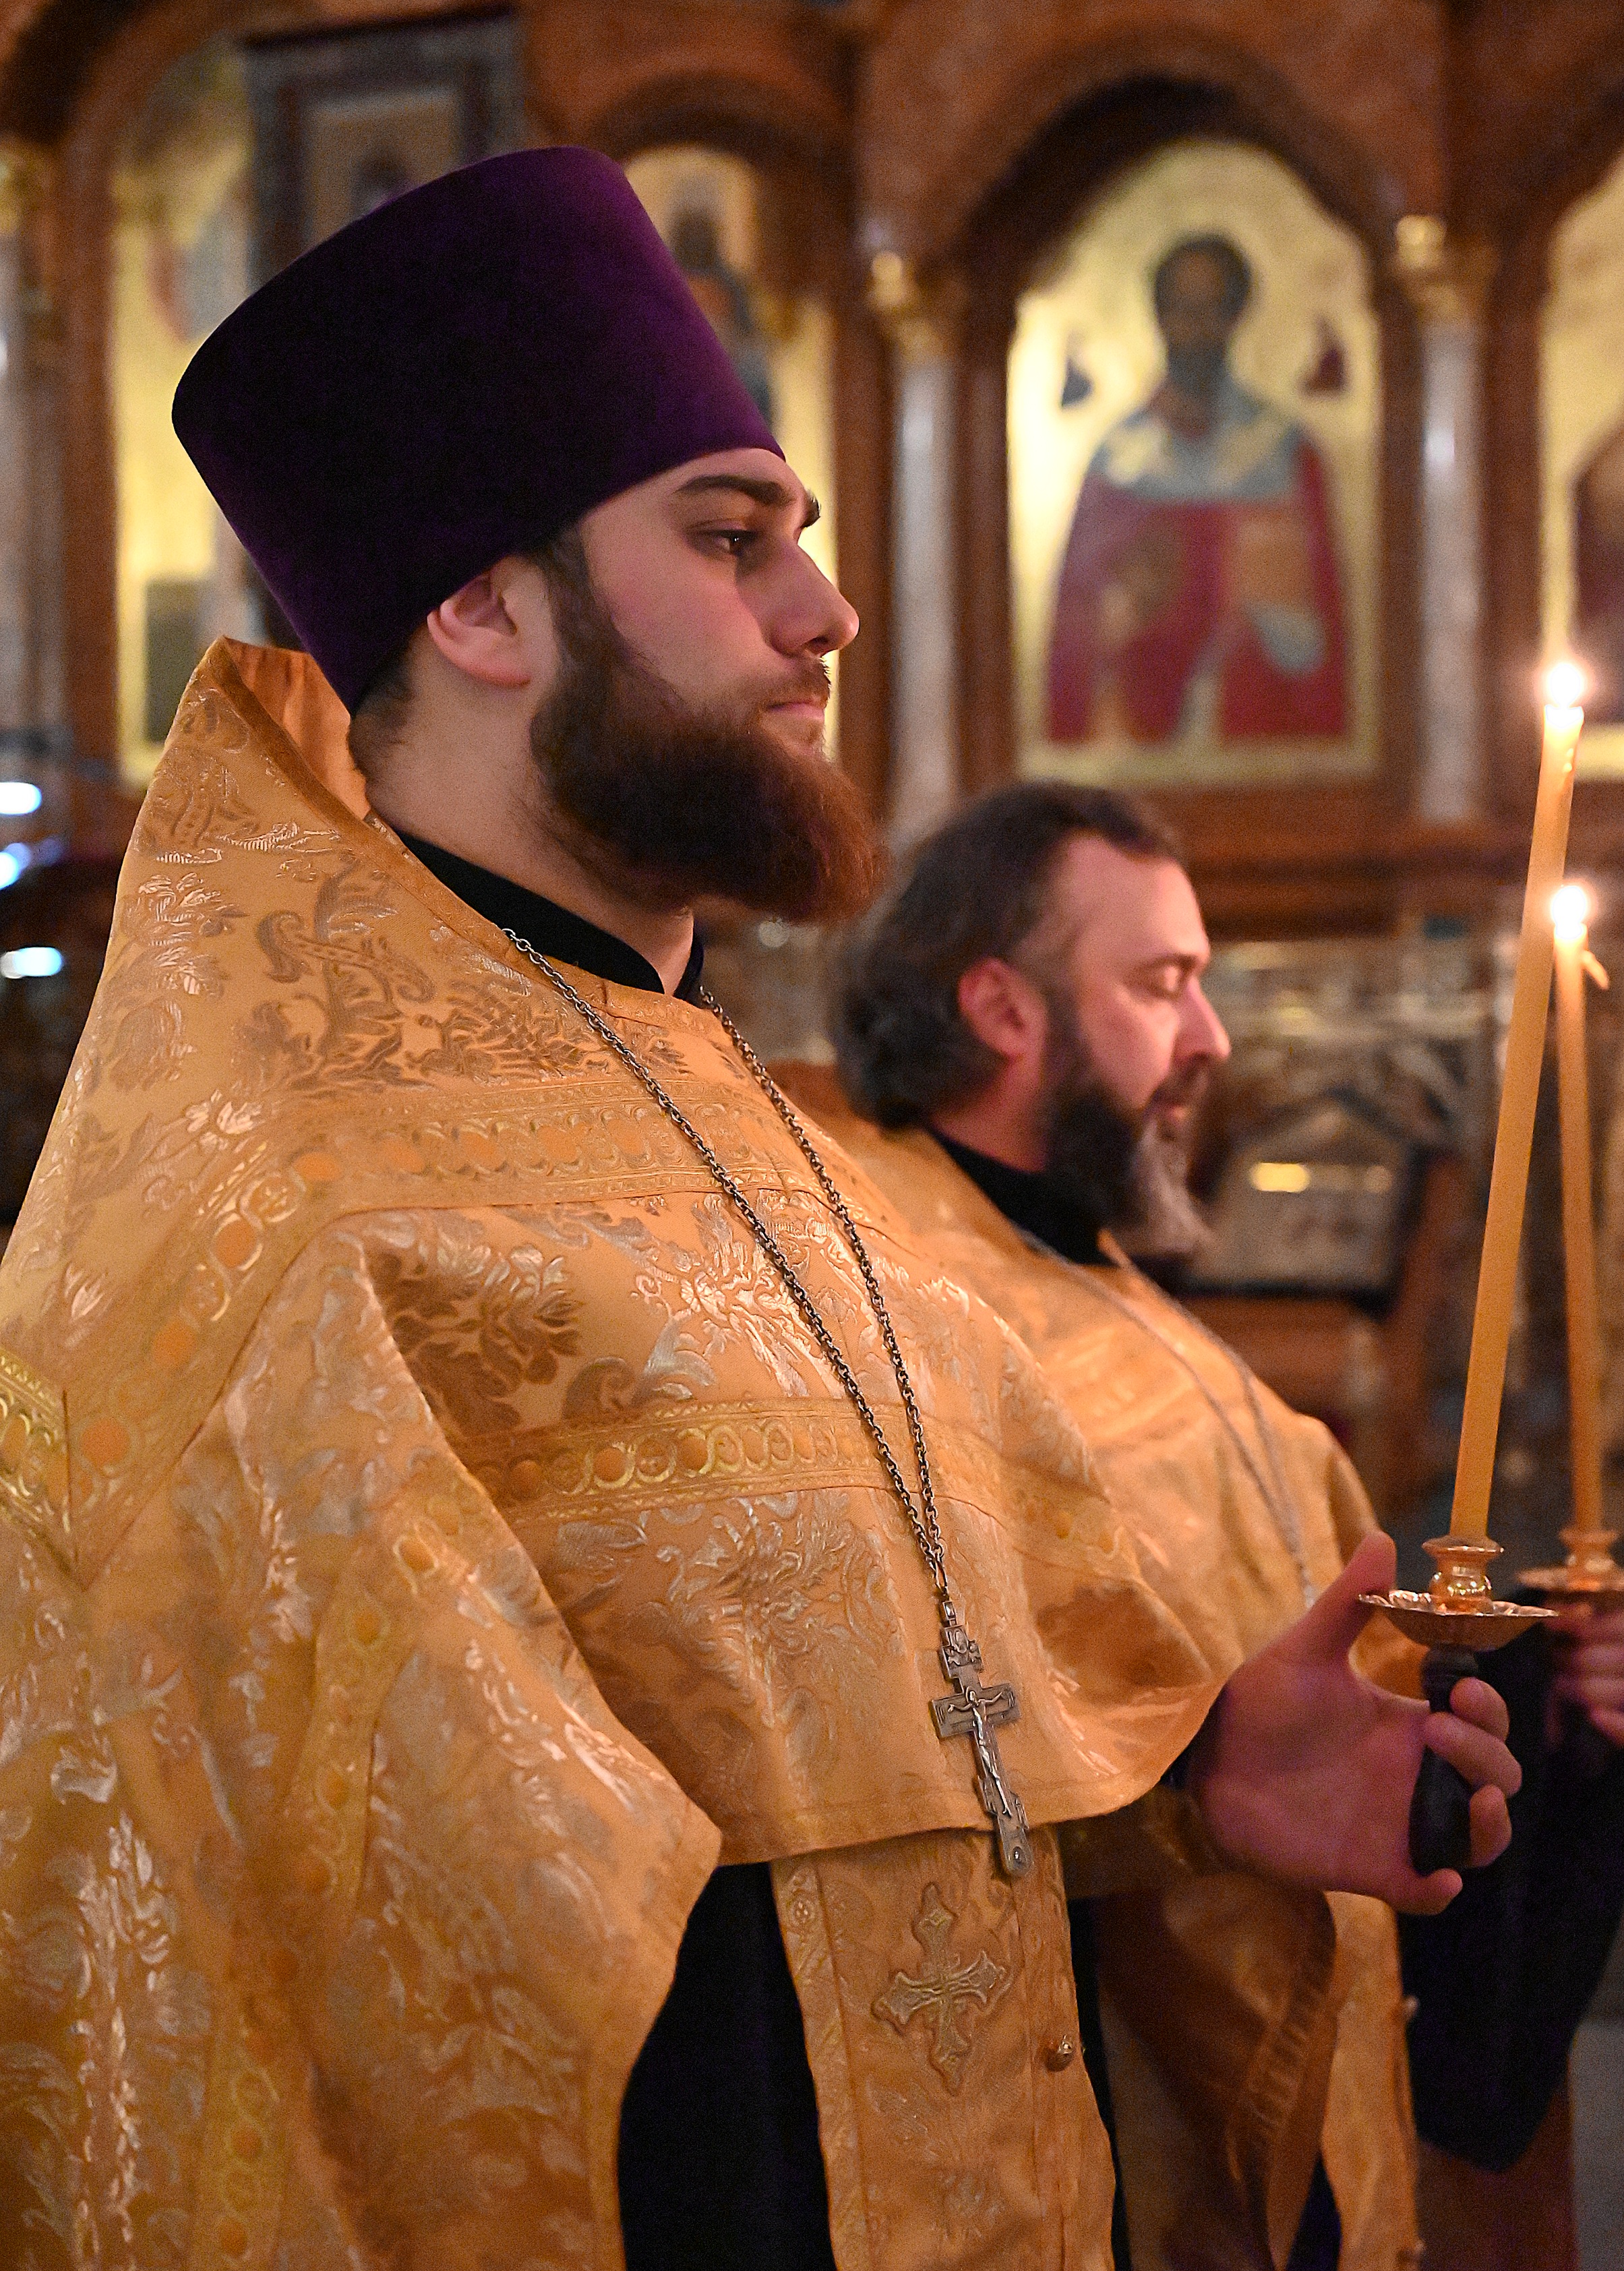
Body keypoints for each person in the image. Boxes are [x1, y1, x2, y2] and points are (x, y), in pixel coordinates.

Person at [0, 154, 1516, 2268]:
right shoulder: (289, 1218)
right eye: (729, 540)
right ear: (482, 608)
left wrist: (1189, 1785)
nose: (825, 610)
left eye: (795, 536)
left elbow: (889, 1746)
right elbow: (344, 1991)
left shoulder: (759, 1130)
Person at [798, 779, 1624, 2271]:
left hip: (1294, 2095)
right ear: (1001, 1005)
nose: (1211, 1040)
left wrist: (1543, 1715)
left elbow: (1352, 1712)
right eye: (1160, 982)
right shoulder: (878, 1291)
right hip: (1086, 2143)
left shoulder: (1135, 1308)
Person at [1046, 235, 1347, 748]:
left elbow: (1323, 630)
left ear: (1236, 318)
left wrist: (1273, 614)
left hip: (1260, 720)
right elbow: (1077, 634)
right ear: (1159, 318)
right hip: (1142, 721)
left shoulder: (1283, 453)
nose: (1196, 331)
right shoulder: (1117, 461)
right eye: (1181, 311)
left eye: (1213, 311)